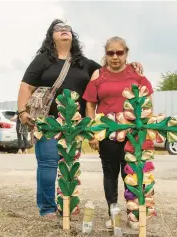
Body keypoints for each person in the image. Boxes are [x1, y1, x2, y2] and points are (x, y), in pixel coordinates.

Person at [17, 19, 144, 218]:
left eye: (67, 29)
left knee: (69, 166)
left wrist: (131, 65)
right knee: (48, 164)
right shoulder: (43, 60)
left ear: (72, 35)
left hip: (73, 126)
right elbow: (26, 86)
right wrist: (22, 112)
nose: (63, 31)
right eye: (58, 29)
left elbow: (110, 67)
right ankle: (48, 208)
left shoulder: (84, 63)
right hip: (48, 122)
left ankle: (65, 206)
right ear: (51, 36)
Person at [82, 36, 154, 228]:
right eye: (110, 52)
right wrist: (92, 132)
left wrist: (144, 127)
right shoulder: (98, 75)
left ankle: (134, 214)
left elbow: (147, 102)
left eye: (119, 52)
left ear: (126, 53)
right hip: (107, 134)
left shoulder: (136, 74)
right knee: (110, 174)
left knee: (132, 172)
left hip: (132, 134)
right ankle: (113, 215)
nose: (115, 57)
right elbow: (90, 104)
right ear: (105, 54)